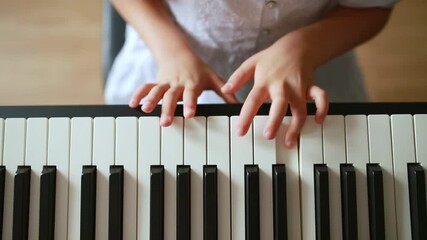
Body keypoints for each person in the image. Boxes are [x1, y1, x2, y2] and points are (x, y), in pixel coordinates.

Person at [105, 0, 397, 147]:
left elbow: (371, 7)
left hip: (311, 68)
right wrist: (172, 53)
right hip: (168, 61)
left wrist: (301, 48)